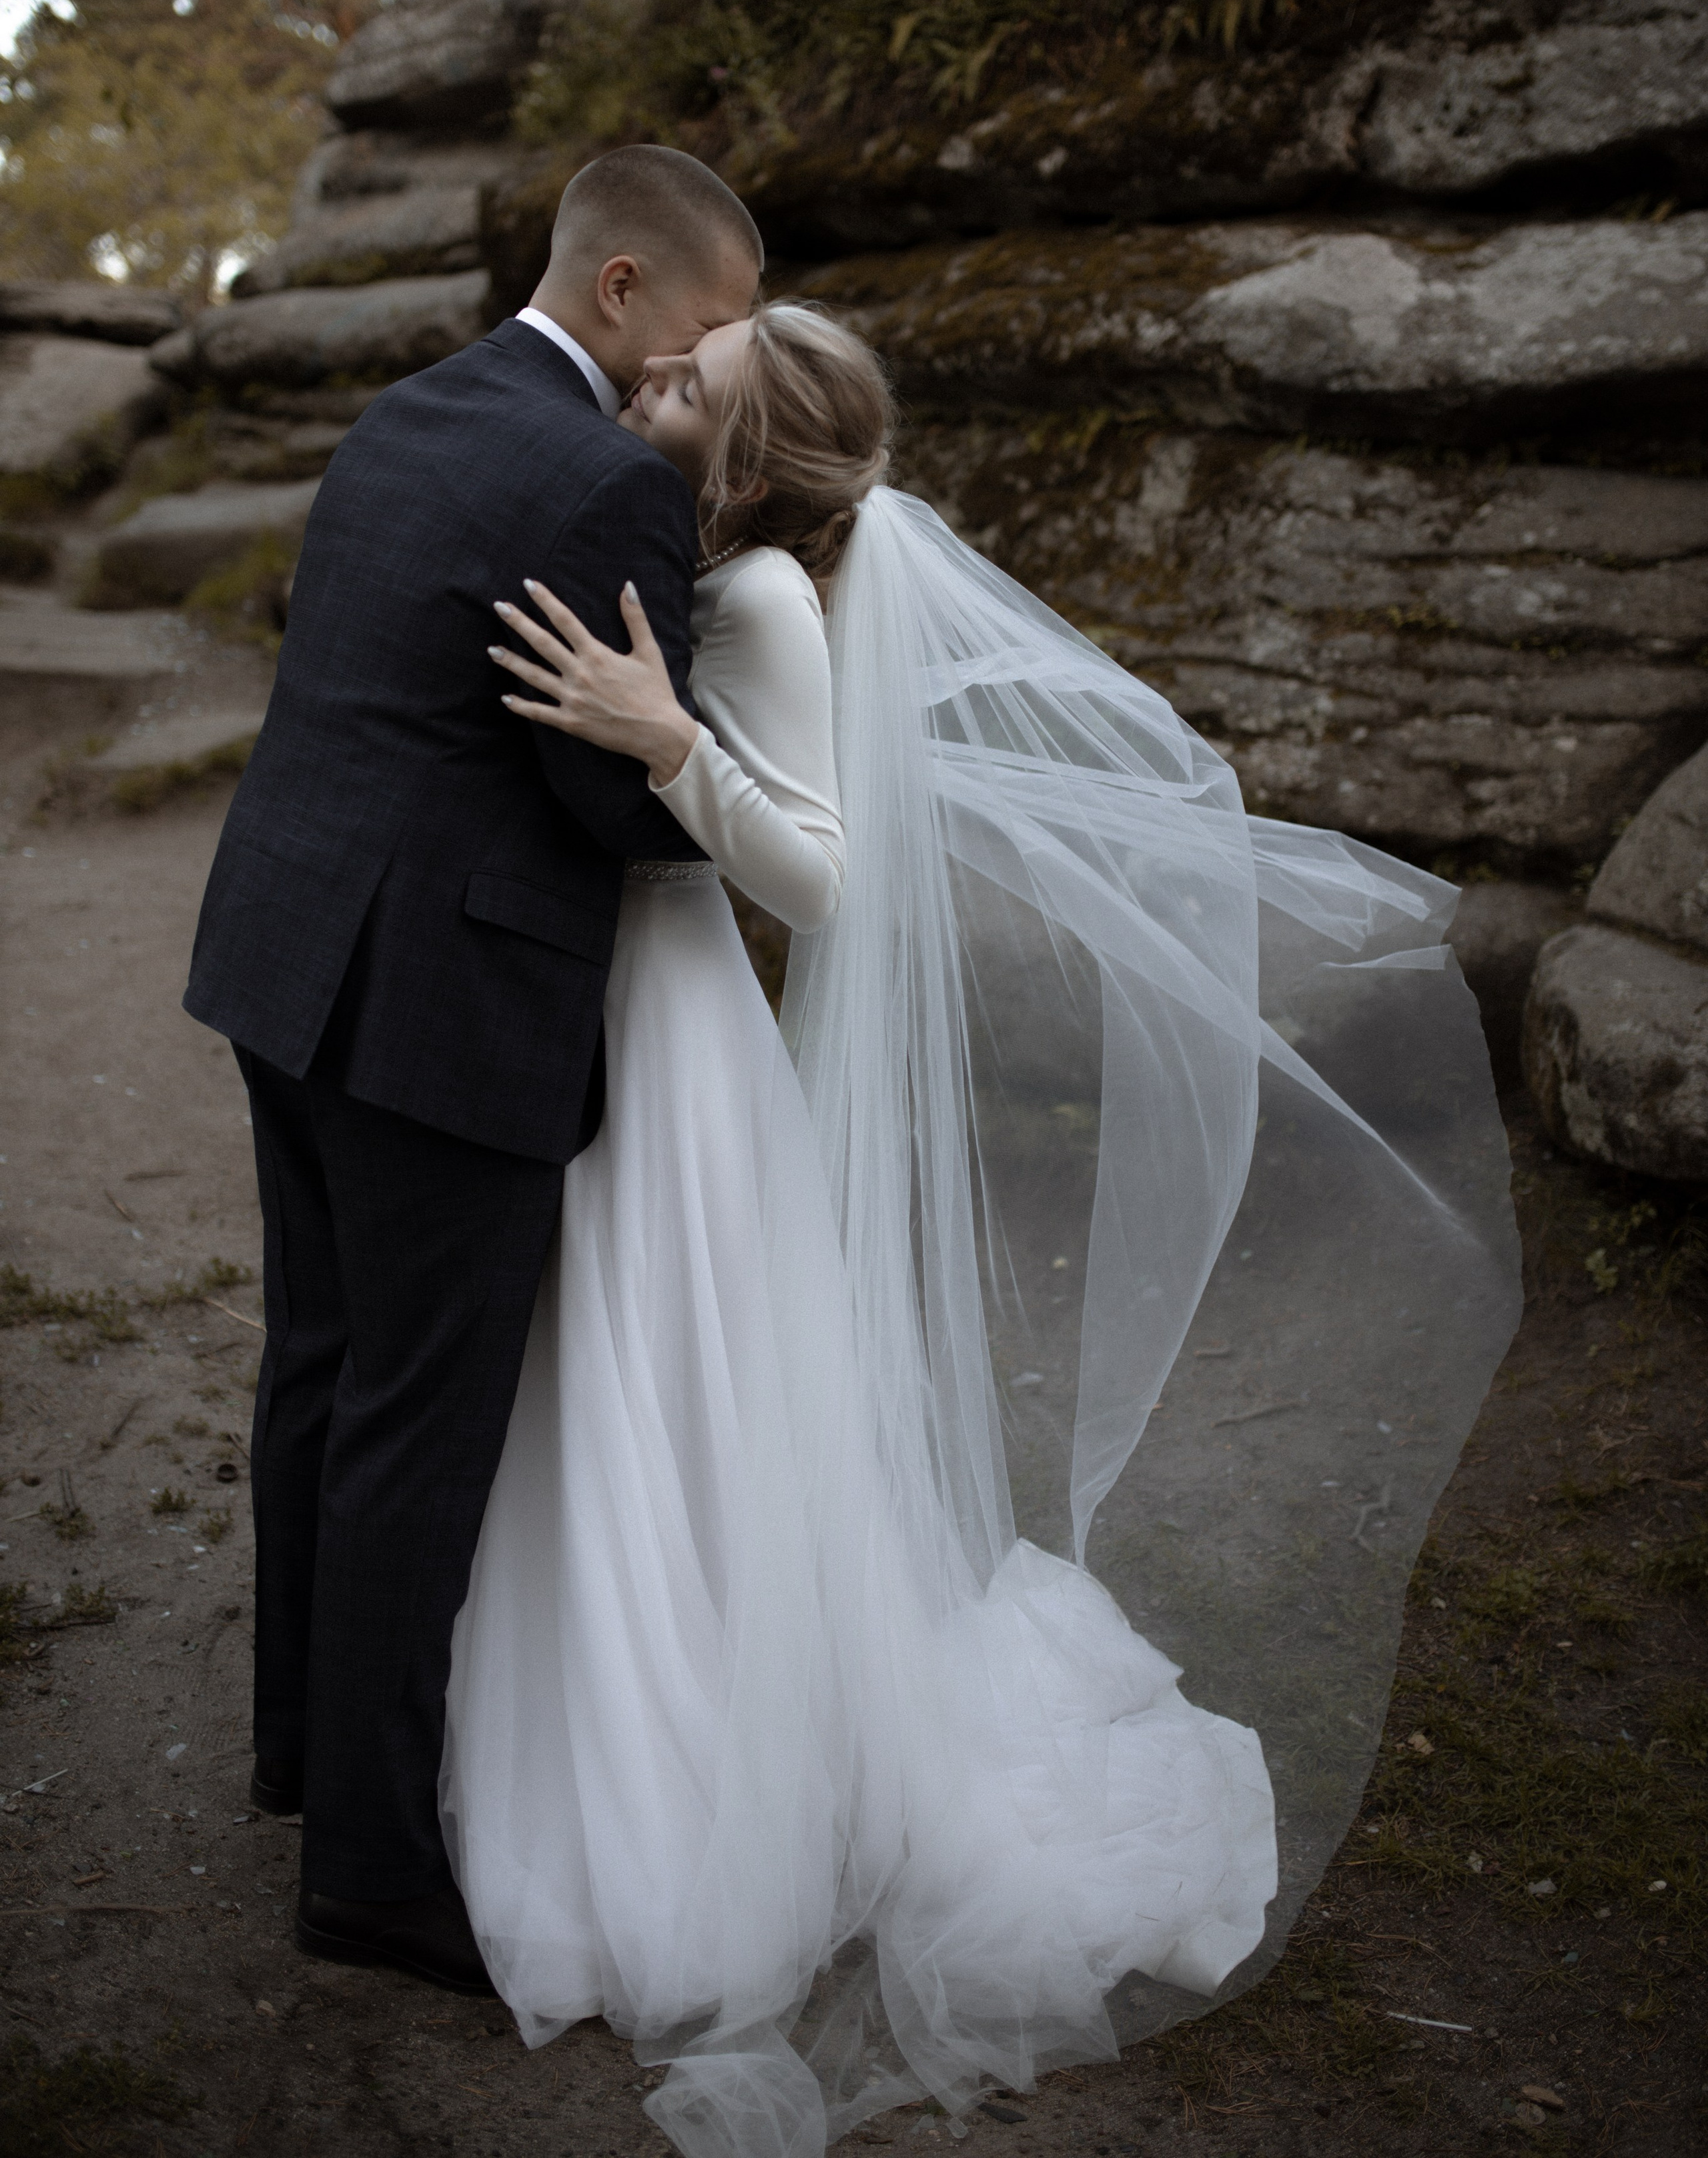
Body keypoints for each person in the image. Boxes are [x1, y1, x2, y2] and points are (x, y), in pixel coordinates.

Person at [447, 300, 1522, 2157]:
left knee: (666, 1376)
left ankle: (709, 1781)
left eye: (685, 385)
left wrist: (660, 739)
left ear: (751, 458)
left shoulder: (770, 598)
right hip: (625, 1000)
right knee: (633, 1387)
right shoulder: (699, 546)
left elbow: (831, 869)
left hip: (683, 1019)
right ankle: (624, 1707)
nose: (649, 387)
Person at [183, 146, 762, 1993]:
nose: (724, 359)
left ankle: (302, 1749)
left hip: (288, 957)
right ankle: (368, 1868)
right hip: (443, 1009)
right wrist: (702, 762)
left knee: (321, 1372)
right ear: (621, 293)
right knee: (420, 1430)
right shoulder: (606, 481)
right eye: (716, 320)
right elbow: (610, 795)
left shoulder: (405, 409)